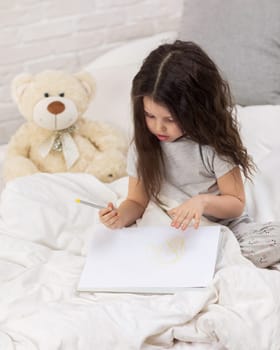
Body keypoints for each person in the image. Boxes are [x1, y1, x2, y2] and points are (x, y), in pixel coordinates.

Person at [99, 40, 280, 268]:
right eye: (149, 116)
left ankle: (211, 259)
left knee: (273, 239)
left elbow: (235, 204)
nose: (158, 128)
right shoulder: (145, 145)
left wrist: (202, 202)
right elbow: (136, 201)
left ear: (197, 110)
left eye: (170, 119)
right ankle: (203, 262)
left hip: (222, 227)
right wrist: (119, 217)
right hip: (170, 228)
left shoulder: (214, 146)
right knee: (127, 251)